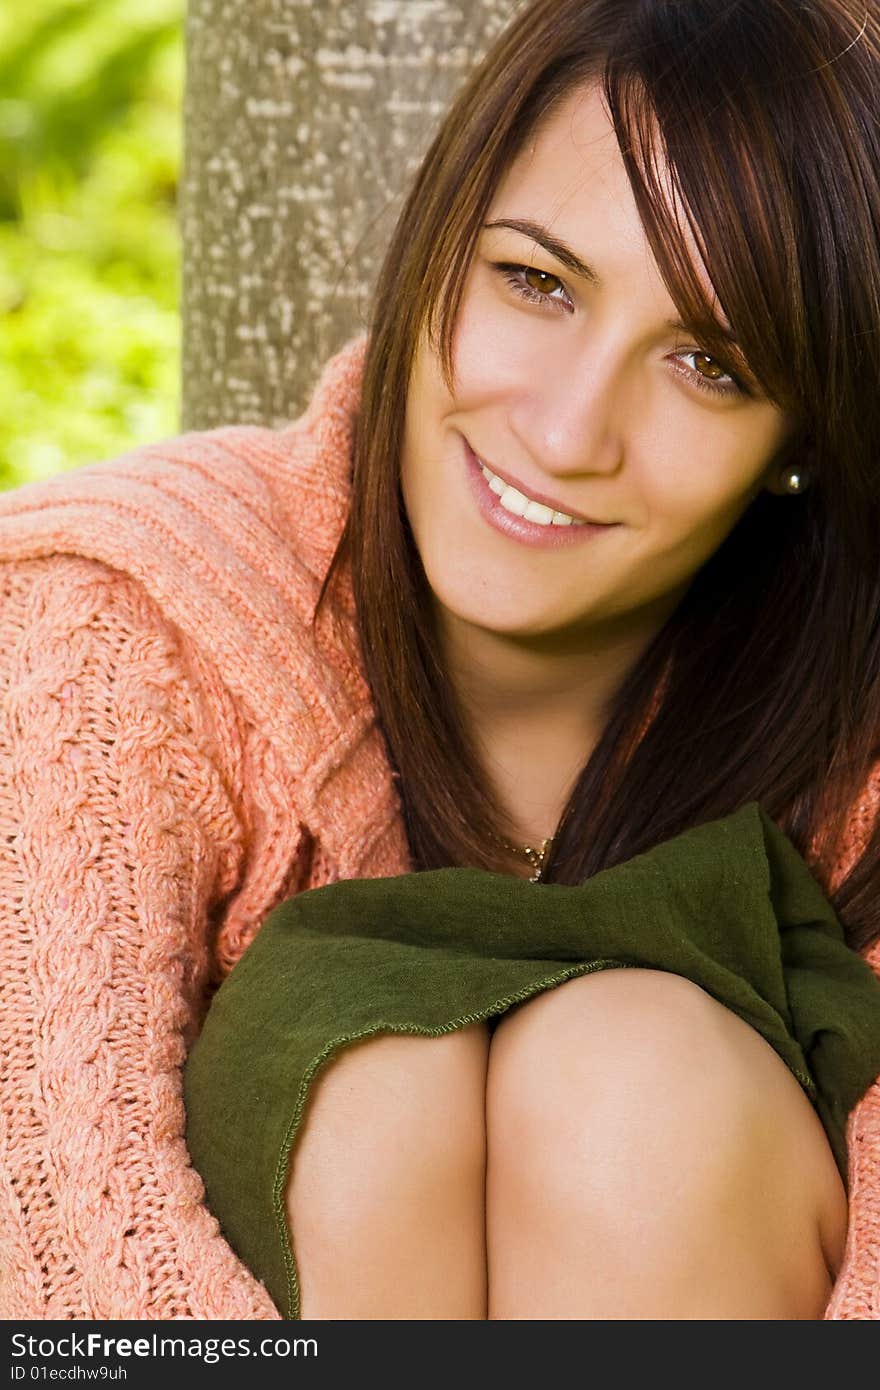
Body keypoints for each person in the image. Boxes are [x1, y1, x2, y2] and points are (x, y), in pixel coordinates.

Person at [1, 0, 879, 1321]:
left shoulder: (850, 735)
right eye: (537, 282)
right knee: (374, 1086)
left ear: (799, 432)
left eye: (707, 362)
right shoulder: (123, 617)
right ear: (437, 246)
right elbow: (67, 1289)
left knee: (627, 1084)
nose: (572, 430)